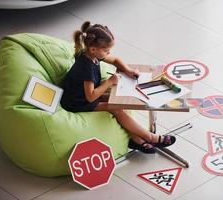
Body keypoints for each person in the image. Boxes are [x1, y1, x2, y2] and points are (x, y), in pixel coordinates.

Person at [61, 21, 176, 154]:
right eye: (106, 51)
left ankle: (136, 140)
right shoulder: (86, 67)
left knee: (119, 99)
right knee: (117, 109)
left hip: (82, 96)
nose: (108, 53)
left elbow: (116, 60)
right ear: (93, 49)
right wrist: (110, 82)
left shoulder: (91, 54)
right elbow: (90, 96)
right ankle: (151, 137)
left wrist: (128, 70)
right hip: (77, 103)